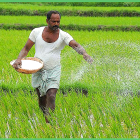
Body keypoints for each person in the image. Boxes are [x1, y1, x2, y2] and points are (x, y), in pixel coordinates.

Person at [12, 10, 93, 123]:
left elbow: (75, 45)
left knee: (51, 95)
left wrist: (84, 53)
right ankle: (44, 116)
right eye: (53, 21)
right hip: (38, 69)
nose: (56, 24)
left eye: (58, 21)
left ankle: (49, 121)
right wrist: (19, 59)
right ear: (47, 21)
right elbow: (26, 48)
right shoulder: (36, 32)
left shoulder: (63, 35)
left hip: (53, 69)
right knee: (41, 98)